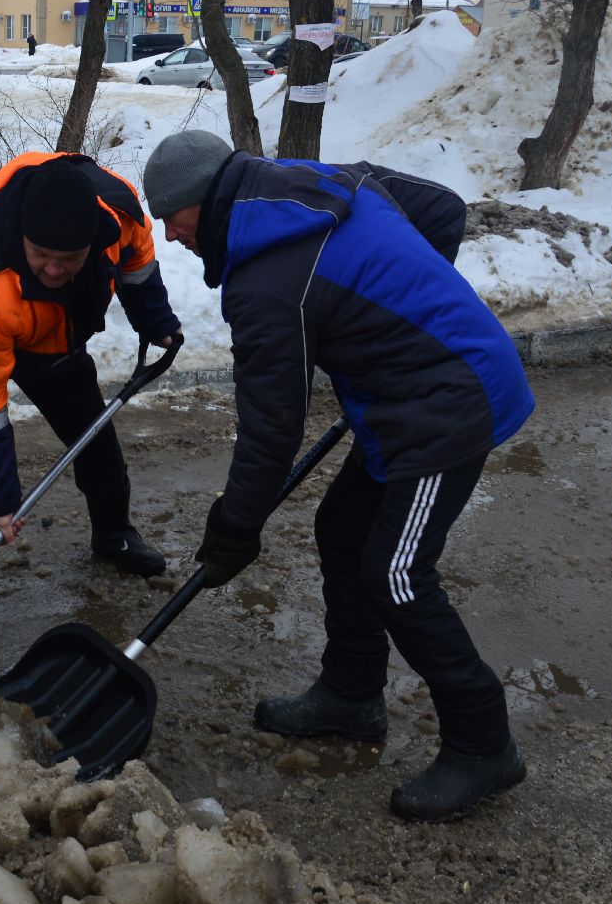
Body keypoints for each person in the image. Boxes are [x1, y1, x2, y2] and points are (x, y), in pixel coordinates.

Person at [142, 129, 535, 823]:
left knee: (398, 574)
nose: (170, 237)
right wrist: (385, 323)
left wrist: (235, 526)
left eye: (171, 217)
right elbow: (441, 210)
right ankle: (352, 696)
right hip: (405, 397)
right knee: (342, 526)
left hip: (454, 398)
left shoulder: (265, 285)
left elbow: (271, 429)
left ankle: (484, 744)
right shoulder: (314, 180)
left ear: (203, 203)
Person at [0, 153, 182, 641]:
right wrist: (2, 503)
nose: (55, 270)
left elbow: (138, 263)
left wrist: (156, 321)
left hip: (49, 332)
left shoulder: (118, 215)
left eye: (70, 259)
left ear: (92, 243)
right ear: (23, 235)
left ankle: (113, 533)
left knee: (92, 431)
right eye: (42, 255)